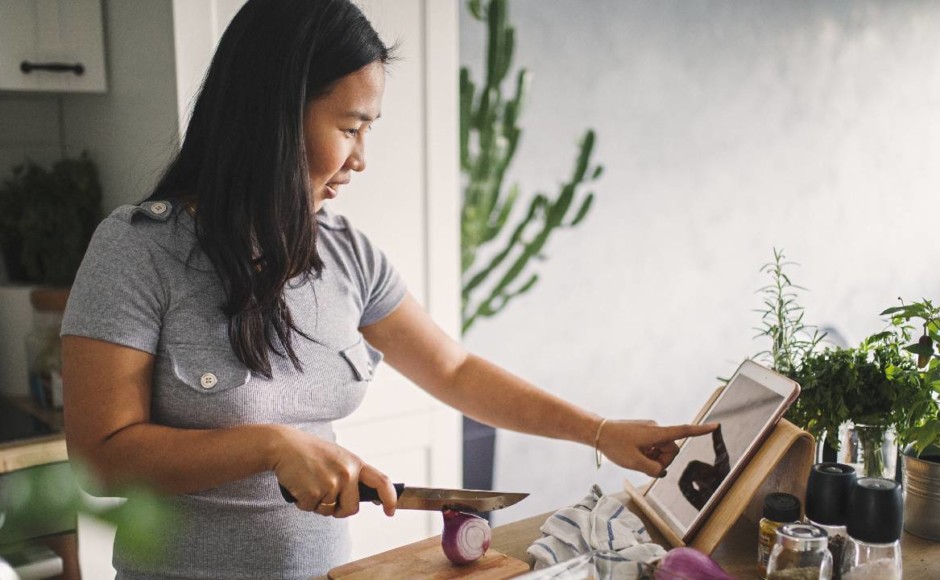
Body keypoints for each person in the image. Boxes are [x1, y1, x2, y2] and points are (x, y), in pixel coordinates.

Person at [60, 1, 716, 578]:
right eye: (349, 127)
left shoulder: (347, 254)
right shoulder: (137, 250)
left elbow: (455, 370)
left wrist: (600, 433)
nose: (361, 158)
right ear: (274, 115)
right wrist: (271, 443)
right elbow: (102, 458)